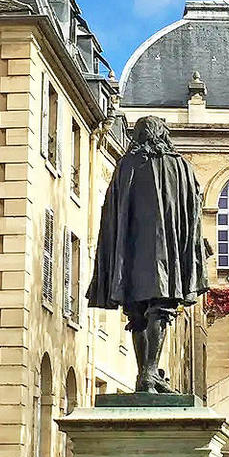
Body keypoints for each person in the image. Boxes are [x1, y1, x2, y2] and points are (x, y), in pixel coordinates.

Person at [87, 115, 208, 393]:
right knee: (159, 309)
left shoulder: (126, 166)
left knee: (137, 313)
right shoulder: (181, 168)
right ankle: (150, 373)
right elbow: (193, 217)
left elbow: (112, 215)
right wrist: (194, 253)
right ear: (163, 135)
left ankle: (146, 375)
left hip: (129, 257)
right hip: (167, 257)